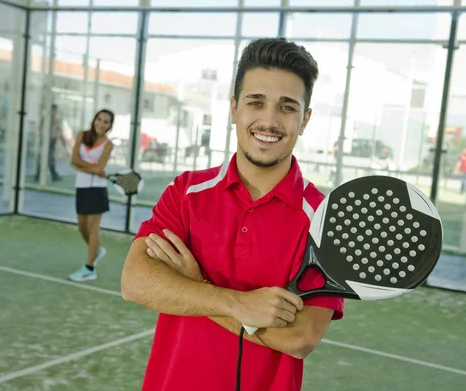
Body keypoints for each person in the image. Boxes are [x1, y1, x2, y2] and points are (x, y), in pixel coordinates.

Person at [121, 38, 344, 391]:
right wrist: (240, 304)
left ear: (305, 120)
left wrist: (193, 288)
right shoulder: (186, 192)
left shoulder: (324, 221)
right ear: (234, 108)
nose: (269, 121)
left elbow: (301, 338)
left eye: (287, 107)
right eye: (256, 102)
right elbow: (135, 281)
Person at [68, 109, 115, 282]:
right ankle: (96, 251)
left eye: (106, 122)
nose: (101, 124)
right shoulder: (82, 135)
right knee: (82, 227)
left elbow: (97, 168)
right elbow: (74, 159)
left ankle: (89, 268)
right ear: (94, 119)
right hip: (81, 187)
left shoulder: (108, 145)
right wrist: (92, 168)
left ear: (110, 126)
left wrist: (82, 166)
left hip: (97, 189)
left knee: (93, 228)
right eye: (99, 119)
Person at [34, 104, 64, 182]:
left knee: (48, 158)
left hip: (51, 141)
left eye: (55, 111)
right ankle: (52, 175)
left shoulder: (54, 120)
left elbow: (57, 130)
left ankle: (49, 175)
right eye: (54, 111)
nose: (55, 113)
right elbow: (41, 129)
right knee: (47, 158)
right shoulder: (47, 119)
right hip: (47, 141)